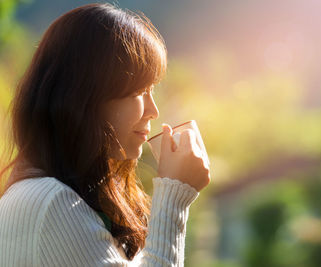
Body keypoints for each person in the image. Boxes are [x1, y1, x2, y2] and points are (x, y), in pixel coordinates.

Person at [0, 3, 210, 266]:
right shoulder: (50, 201)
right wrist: (175, 193)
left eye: (152, 89)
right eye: (137, 92)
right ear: (84, 97)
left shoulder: (62, 196)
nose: (153, 111)